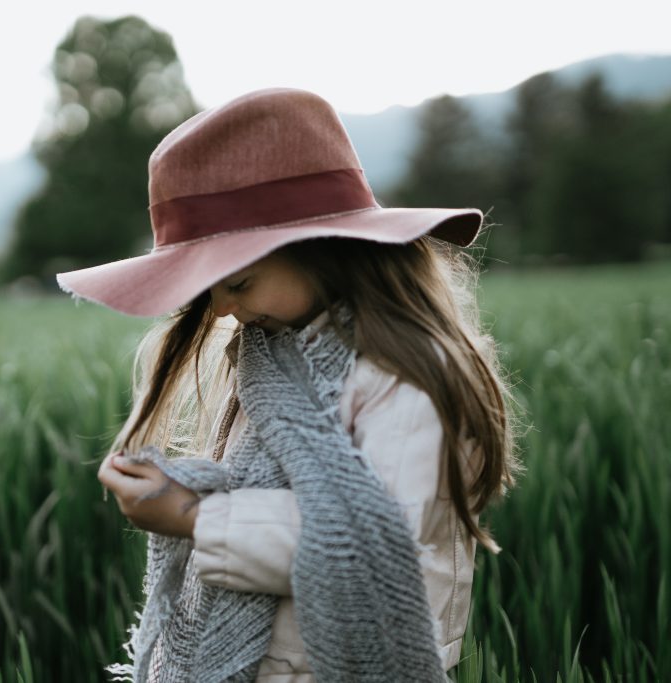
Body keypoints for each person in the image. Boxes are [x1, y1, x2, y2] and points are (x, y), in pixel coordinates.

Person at [58, 88, 522, 681]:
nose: (222, 310)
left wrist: (197, 518)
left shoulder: (407, 376)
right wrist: (189, 488)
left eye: (240, 283)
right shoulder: (272, 358)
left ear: (324, 252)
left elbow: (375, 545)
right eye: (207, 292)